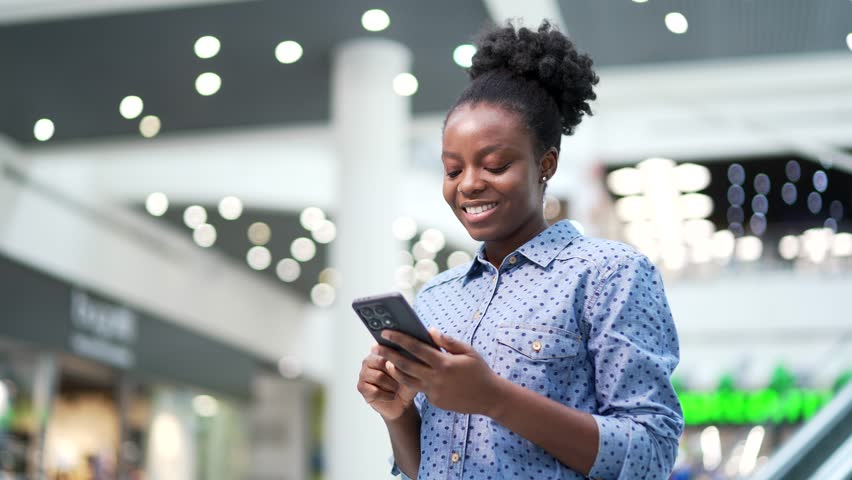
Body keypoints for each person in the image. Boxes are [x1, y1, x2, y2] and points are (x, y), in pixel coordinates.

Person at [357, 21, 683, 480]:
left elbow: (650, 454)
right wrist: (396, 413)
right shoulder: (437, 296)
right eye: (453, 170)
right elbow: (423, 471)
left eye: (495, 165)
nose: (469, 184)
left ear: (545, 164)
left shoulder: (611, 274)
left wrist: (494, 398)